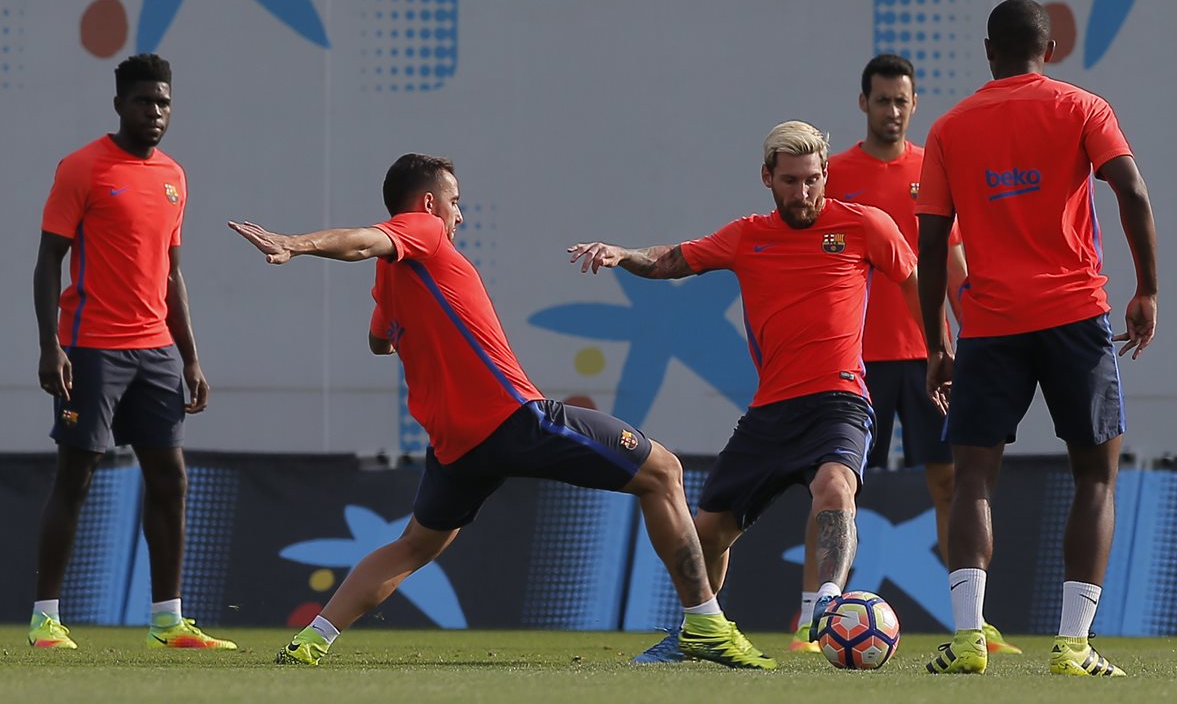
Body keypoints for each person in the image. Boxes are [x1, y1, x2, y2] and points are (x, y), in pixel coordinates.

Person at [229, 154, 774, 670]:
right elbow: (362, 241)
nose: (459, 214)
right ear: (425, 206)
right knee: (663, 472)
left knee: (415, 544)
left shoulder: (392, 279)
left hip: (456, 445)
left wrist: (419, 331)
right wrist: (294, 244)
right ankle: (704, 625)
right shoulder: (423, 234)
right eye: (454, 201)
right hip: (512, 418)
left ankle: (312, 640)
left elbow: (378, 340)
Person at [567, 120, 921, 663]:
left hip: (840, 400)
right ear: (767, 178)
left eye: (812, 180)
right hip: (771, 412)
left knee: (835, 486)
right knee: (705, 534)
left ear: (826, 174)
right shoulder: (746, 235)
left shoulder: (865, 225)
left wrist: (942, 353)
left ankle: (825, 605)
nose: (802, 193)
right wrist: (623, 254)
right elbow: (672, 260)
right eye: (790, 181)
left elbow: (916, 279)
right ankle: (696, 634)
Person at [917, 0, 1157, 677]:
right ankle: (1074, 647)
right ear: (1049, 50)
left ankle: (967, 641)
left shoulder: (949, 128)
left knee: (972, 480)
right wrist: (1148, 289)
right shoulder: (1083, 108)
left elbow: (931, 241)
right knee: (1095, 477)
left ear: (989, 50)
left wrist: (937, 340)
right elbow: (1132, 190)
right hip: (1077, 314)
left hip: (990, 324)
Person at [789, 54, 1019, 656]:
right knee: (835, 488)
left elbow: (955, 265)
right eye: (882, 99)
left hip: (927, 356)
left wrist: (975, 339)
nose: (892, 111)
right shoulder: (831, 175)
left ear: (915, 105)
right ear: (862, 103)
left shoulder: (933, 168)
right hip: (853, 360)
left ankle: (968, 622)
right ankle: (811, 622)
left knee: (949, 483)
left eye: (902, 100)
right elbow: (816, 255)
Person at [30, 54, 233, 650]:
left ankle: (167, 621)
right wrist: (51, 346)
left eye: (164, 102)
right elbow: (48, 261)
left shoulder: (174, 174)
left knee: (170, 480)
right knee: (76, 474)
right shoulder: (83, 168)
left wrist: (190, 357)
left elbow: (171, 273)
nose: (156, 112)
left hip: (157, 353)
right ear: (120, 104)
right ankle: (45, 620)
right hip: (91, 348)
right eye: (145, 101)